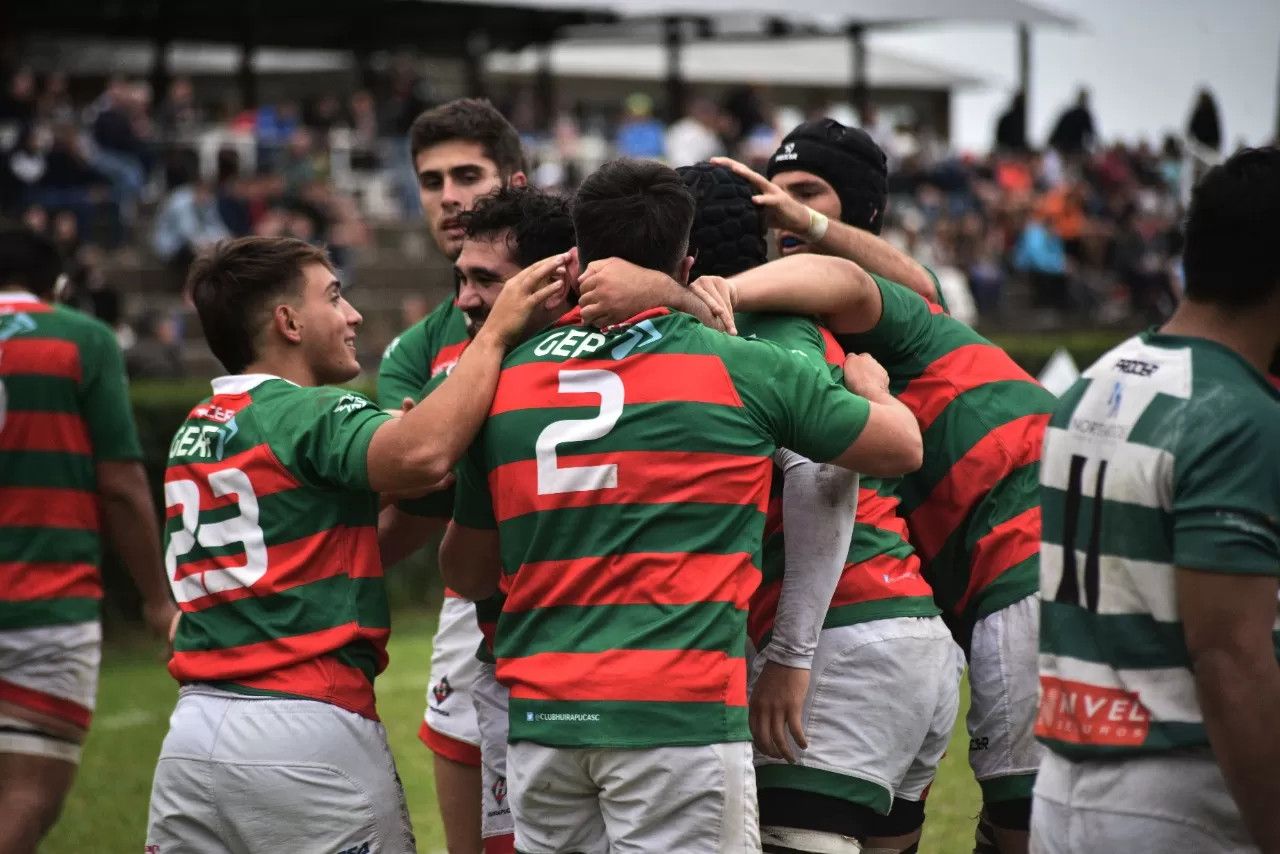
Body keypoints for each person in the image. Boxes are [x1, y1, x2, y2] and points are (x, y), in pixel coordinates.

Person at [439, 158, 924, 854]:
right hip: (679, 717)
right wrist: (871, 384)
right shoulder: (743, 367)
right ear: (687, 260)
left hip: (544, 724)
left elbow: (468, 571)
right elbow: (901, 446)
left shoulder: (505, 380)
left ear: (574, 260)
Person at [576, 162, 963, 854]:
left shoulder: (749, 338)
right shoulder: (788, 325)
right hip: (904, 635)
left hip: (839, 643)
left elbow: (819, 472)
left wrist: (790, 653)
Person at [144, 235, 564, 853]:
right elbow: (423, 455)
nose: (353, 315)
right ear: (288, 321)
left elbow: (314, 496)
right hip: (304, 729)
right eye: (334, 297)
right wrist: (496, 334)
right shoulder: (312, 411)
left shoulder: (199, 427)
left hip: (191, 738)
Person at [710, 123, 1059, 854]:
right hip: (944, 615)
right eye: (771, 196)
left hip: (1029, 555)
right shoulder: (811, 332)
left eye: (805, 194)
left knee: (1036, 830)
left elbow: (865, 279)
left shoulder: (871, 309)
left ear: (860, 217)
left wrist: (713, 292)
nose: (778, 209)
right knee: (1010, 829)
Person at [1033, 147, 1280, 854]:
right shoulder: (1239, 414)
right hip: (1184, 787)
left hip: (1068, 778)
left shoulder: (1094, 381)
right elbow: (1230, 658)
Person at [382, 184, 585, 854]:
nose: (465, 298)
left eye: (484, 281)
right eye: (460, 279)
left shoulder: (487, 392)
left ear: (552, 281)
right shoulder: (655, 354)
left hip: (538, 678)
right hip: (641, 683)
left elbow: (463, 567)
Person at [376, 98, 528, 854]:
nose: (449, 197)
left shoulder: (591, 300)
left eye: (467, 175)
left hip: (589, 599)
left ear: (516, 182)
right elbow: (414, 483)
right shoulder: (414, 347)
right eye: (431, 181)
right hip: (473, 604)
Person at [0, 226, 177, 854]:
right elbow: (123, 486)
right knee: (29, 794)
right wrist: (158, 600)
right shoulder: (81, 339)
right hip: (46, 607)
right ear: (59, 285)